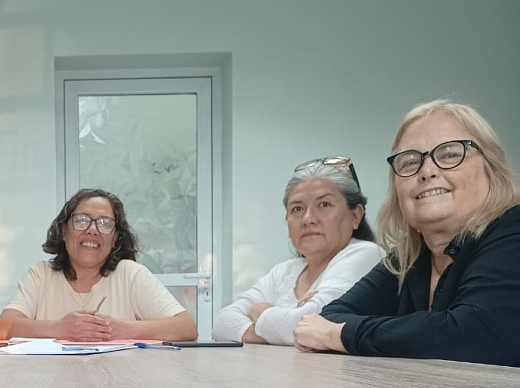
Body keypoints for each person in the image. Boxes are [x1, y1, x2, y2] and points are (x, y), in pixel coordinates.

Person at [295, 99, 520, 366]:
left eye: (450, 154)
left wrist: (344, 334)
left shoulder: (513, 230)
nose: (427, 171)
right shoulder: (407, 258)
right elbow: (329, 317)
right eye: (410, 162)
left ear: (492, 169)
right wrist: (414, 332)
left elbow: (474, 336)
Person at [212, 159, 384, 345]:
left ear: (356, 215)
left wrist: (260, 311)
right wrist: (283, 326)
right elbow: (222, 323)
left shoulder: (367, 254)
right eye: (297, 209)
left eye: (324, 204)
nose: (307, 219)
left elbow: (311, 325)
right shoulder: (284, 271)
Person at [0, 189, 198, 342]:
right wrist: (60, 329)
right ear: (63, 230)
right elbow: (4, 328)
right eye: (82, 220)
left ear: (115, 238)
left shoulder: (129, 274)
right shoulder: (41, 275)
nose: (92, 230)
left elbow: (187, 327)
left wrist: (122, 330)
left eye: (104, 223)